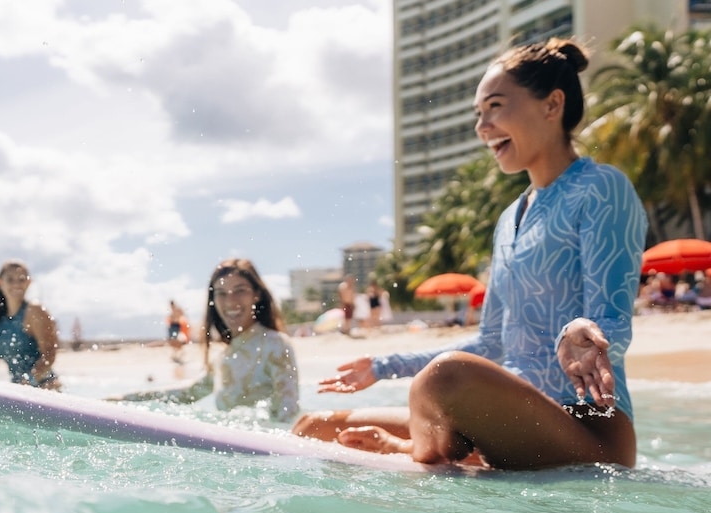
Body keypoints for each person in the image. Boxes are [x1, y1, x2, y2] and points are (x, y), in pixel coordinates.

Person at [292, 38, 646, 470]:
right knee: (317, 425)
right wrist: (382, 366)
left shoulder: (600, 188)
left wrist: (579, 335)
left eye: (495, 106)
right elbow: (491, 342)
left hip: (587, 427)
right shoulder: (509, 219)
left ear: (552, 105)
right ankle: (449, 451)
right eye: (479, 113)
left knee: (443, 378)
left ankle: (411, 450)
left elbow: (613, 321)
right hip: (505, 421)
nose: (482, 126)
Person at [112, 258, 299, 422]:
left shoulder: (276, 345)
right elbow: (187, 394)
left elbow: (288, 415)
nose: (230, 301)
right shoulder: (223, 356)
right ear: (213, 299)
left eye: (239, 290)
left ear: (256, 295)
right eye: (221, 293)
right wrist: (124, 399)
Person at [0, 260, 61, 389]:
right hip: (20, 394)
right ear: (0, 283)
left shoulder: (35, 311)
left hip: (47, 390)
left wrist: (28, 382)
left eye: (22, 279)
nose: (16, 284)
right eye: (10, 280)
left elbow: (49, 354)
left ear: (29, 283)